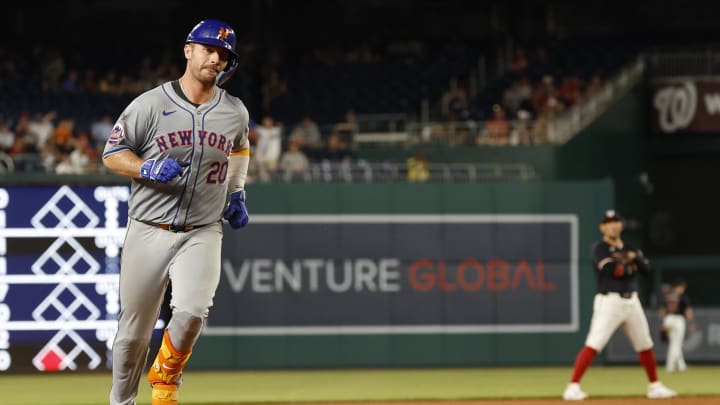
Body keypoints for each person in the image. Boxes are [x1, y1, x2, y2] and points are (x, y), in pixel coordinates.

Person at [102, 19, 251, 405]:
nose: (215, 59)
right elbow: (113, 155)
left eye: (223, 54)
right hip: (149, 228)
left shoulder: (234, 111)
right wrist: (145, 168)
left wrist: (237, 192)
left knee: (192, 313)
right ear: (188, 50)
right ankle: (121, 402)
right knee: (134, 333)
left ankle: (166, 379)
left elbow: (240, 148)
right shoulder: (150, 104)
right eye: (208, 49)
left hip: (202, 229)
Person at [562, 210, 677, 400]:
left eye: (616, 221)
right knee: (594, 344)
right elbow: (613, 270)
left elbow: (646, 269)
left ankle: (654, 386)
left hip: (632, 301)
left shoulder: (630, 247)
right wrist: (630, 261)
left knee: (645, 344)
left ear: (621, 225)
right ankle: (572, 387)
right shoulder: (600, 248)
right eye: (608, 222)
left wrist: (631, 261)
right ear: (602, 227)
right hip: (609, 302)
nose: (613, 225)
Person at [660, 278, 694, 372]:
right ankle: (670, 366)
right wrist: (691, 323)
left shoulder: (669, 295)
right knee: (676, 344)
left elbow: (662, 311)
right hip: (679, 319)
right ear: (679, 287)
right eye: (682, 287)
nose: (683, 289)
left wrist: (664, 323)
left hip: (668, 319)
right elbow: (688, 311)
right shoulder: (683, 297)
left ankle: (681, 366)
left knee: (674, 343)